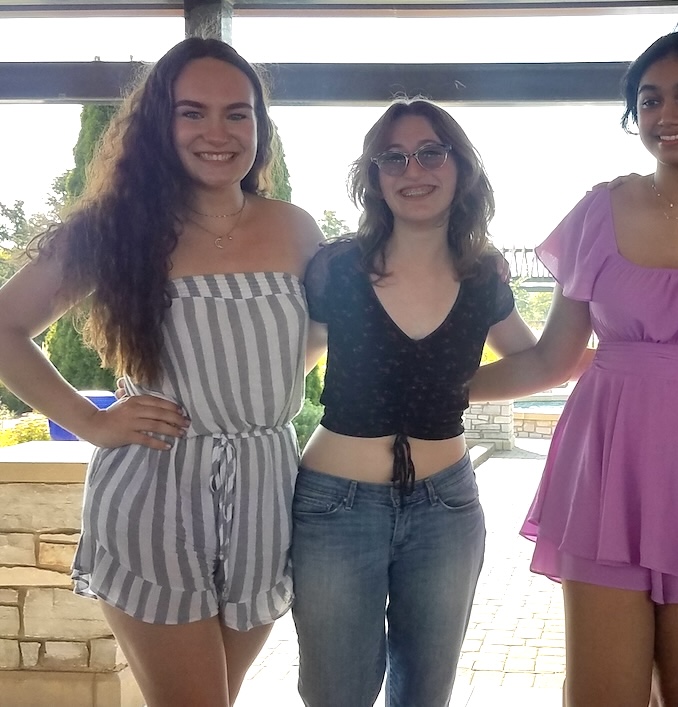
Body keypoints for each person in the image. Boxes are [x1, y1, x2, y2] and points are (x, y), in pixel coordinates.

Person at [468, 25, 678, 707]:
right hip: (606, 475)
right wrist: (436, 390)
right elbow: (553, 355)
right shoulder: (599, 208)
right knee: (601, 693)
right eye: (649, 101)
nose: (667, 116)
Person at [0, 38, 324, 707]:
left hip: (265, 491)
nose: (217, 131)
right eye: (192, 111)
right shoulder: (115, 230)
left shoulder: (296, 229)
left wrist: (253, 392)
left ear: (260, 127)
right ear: (159, 124)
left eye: (238, 113)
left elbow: (320, 334)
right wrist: (91, 419)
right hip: (156, 493)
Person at [289, 97, 536, 707]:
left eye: (431, 152)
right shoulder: (336, 268)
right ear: (373, 176)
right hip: (333, 508)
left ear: (460, 167)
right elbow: (290, 360)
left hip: (446, 509)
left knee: (426, 694)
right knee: (335, 693)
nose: (412, 170)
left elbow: (531, 361)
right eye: (392, 158)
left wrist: (455, 385)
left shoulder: (483, 276)